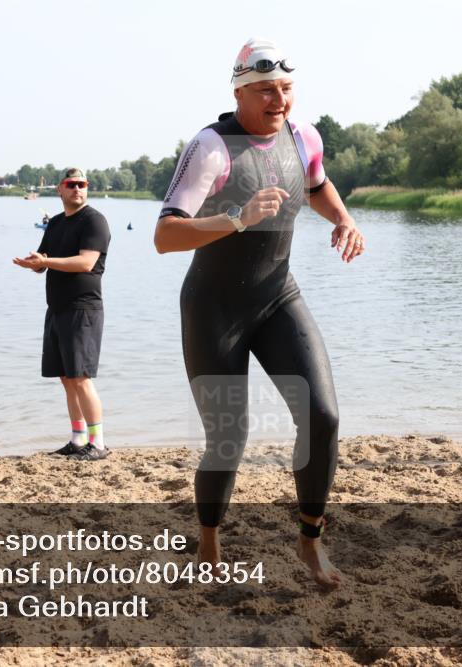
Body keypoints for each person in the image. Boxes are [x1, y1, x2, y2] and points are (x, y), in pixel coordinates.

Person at [154, 38, 366, 590]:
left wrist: (342, 218)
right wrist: (237, 218)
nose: (279, 99)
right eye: (267, 89)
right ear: (240, 91)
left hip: (277, 297)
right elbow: (165, 235)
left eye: (287, 89)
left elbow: (316, 185)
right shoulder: (212, 147)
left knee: (323, 417)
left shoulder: (304, 137)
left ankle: (310, 541)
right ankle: (207, 543)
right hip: (213, 308)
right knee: (229, 438)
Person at [14, 167, 112, 461]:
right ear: (60, 189)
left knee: (81, 377)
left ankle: (98, 443)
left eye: (82, 184)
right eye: (71, 185)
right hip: (57, 308)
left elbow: (85, 263)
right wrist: (35, 263)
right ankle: (78, 439)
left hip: (83, 309)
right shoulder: (56, 223)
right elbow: (45, 263)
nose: (77, 189)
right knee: (66, 377)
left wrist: (47, 261)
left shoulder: (95, 221)